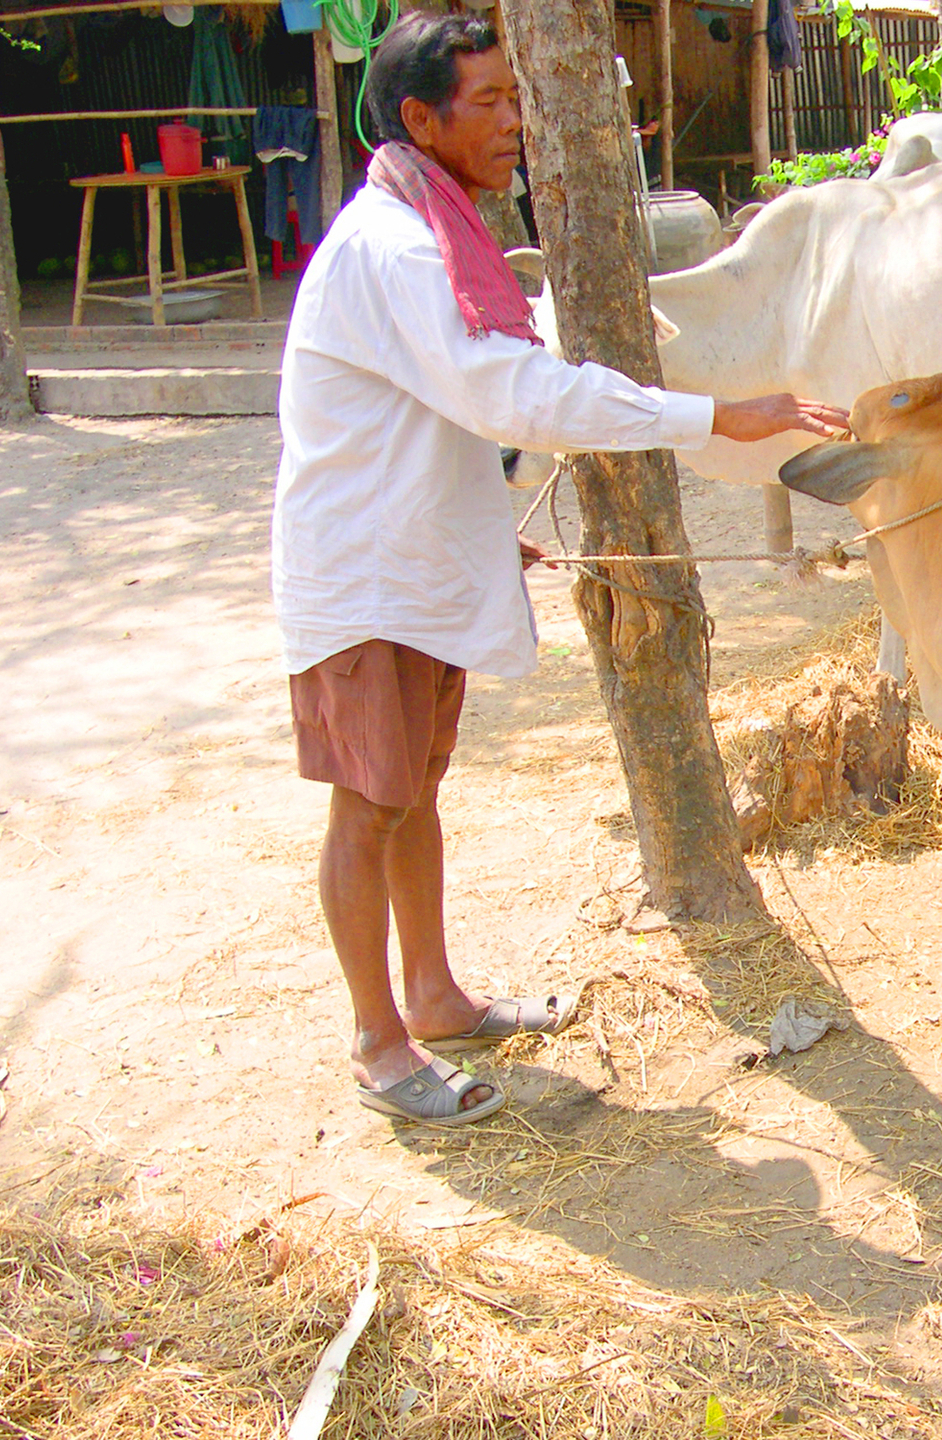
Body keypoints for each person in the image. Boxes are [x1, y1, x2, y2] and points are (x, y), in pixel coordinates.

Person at [272, 11, 846, 1128]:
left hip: (412, 559)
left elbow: (431, 417)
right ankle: (376, 1042)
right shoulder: (394, 250)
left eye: (512, 100)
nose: (514, 124)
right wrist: (716, 412)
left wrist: (482, 529)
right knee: (366, 806)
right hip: (363, 580)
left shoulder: (440, 229)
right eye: (486, 105)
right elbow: (514, 395)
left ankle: (433, 995)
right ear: (419, 120)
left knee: (413, 793)